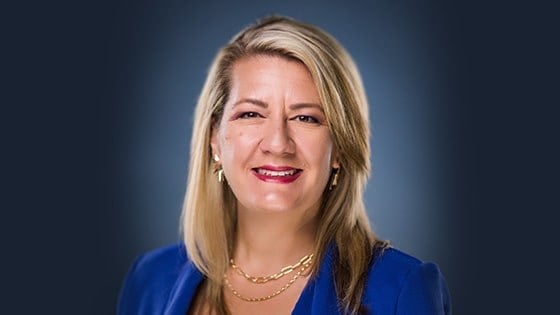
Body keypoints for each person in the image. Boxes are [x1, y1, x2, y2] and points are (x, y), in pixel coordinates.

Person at [117, 15, 451, 315]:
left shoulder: (401, 289)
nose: (278, 143)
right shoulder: (149, 279)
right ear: (215, 140)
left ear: (339, 148)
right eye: (251, 114)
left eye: (306, 118)